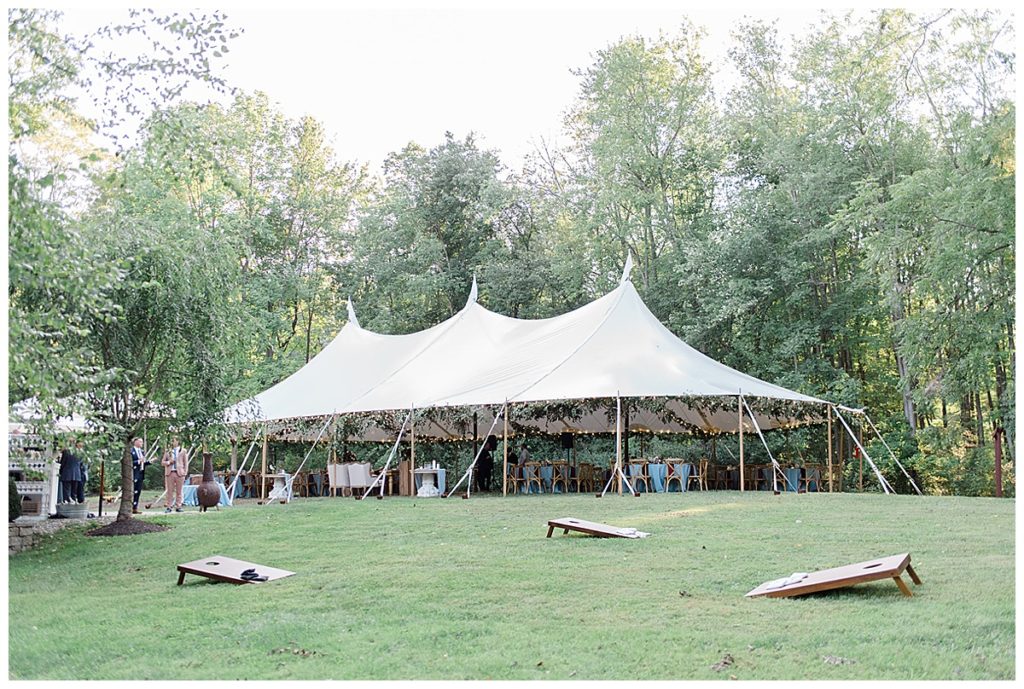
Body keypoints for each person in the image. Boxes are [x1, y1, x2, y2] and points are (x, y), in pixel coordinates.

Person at [161, 437, 188, 513]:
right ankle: (169, 506)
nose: (172, 442)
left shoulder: (183, 451)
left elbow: (186, 463)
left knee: (179, 491)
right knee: (169, 491)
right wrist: (169, 462)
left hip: (180, 473)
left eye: (174, 440)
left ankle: (178, 506)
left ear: (178, 441)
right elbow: (162, 462)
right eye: (172, 441)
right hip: (170, 472)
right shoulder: (168, 451)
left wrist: (184, 472)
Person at [131, 437, 150, 513]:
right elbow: (130, 462)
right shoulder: (131, 451)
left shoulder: (142, 452)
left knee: (138, 491)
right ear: (135, 442)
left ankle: (135, 507)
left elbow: (143, 462)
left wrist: (148, 462)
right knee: (133, 490)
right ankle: (131, 506)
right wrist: (138, 461)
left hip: (141, 473)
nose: (142, 443)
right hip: (134, 472)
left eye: (142, 442)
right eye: (140, 441)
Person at [75, 439, 88, 504]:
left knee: (80, 489)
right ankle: (80, 500)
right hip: (80, 473)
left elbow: (83, 465)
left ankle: (81, 501)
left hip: (81, 474)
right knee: (80, 489)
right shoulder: (81, 452)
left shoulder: (81, 453)